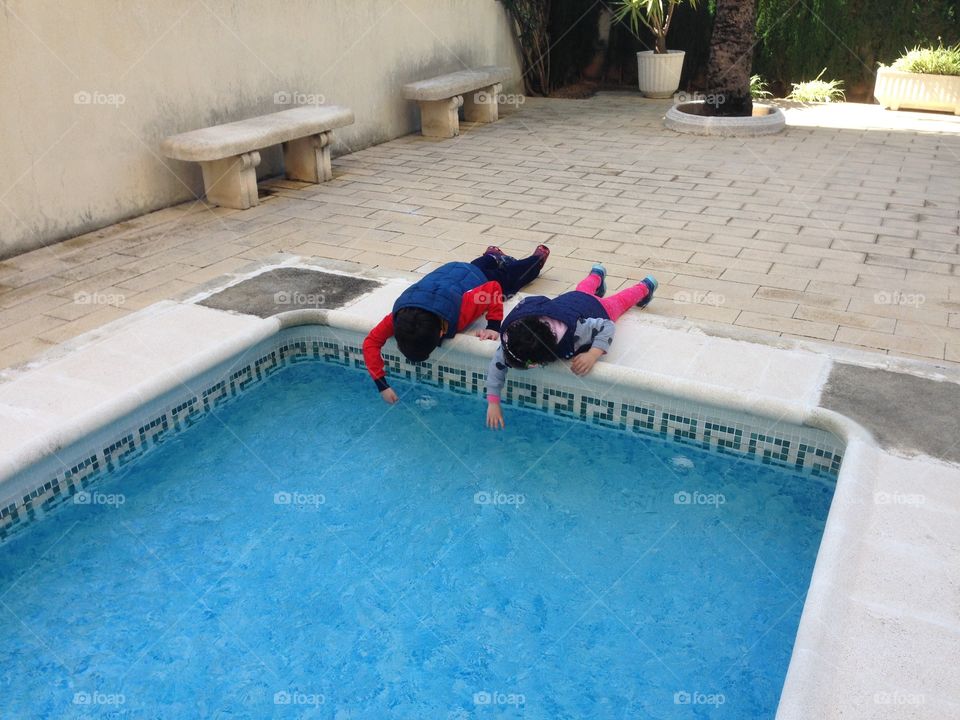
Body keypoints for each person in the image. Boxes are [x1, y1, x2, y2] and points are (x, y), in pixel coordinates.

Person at [363, 245, 550, 404]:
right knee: (471, 269)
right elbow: (371, 342)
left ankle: (536, 260)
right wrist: (382, 385)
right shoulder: (400, 318)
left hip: (474, 277)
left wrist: (493, 326)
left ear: (441, 332)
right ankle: (492, 256)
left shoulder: (460, 313)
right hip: (451, 271)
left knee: (510, 281)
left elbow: (493, 289)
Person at [485, 263, 657, 429]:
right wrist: (493, 401)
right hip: (570, 301)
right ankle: (596, 273)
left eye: (532, 365)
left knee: (621, 301)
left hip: (598, 308)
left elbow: (607, 326)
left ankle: (645, 286)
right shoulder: (515, 339)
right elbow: (498, 363)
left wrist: (593, 354)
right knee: (583, 289)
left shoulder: (578, 332)